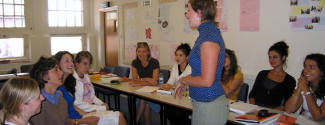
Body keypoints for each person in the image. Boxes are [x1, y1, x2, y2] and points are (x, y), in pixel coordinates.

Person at [174, 0, 228, 124]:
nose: (186, 15)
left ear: (199, 13)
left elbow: (207, 80)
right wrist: (184, 81)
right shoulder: (205, 34)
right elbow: (199, 72)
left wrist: (183, 80)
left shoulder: (209, 38)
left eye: (188, 11)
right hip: (202, 104)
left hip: (210, 106)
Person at [73, 51, 127, 125]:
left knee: (119, 116)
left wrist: (101, 103)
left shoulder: (86, 76)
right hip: (84, 112)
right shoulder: (73, 80)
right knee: (119, 116)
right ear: (77, 64)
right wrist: (101, 108)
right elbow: (78, 104)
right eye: (85, 64)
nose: (88, 67)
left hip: (92, 108)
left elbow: (92, 96)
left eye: (89, 64)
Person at [54, 51, 99, 125]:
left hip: (79, 116)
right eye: (67, 61)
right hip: (75, 121)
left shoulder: (69, 82)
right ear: (57, 65)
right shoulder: (56, 88)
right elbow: (61, 119)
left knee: (117, 116)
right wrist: (85, 119)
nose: (71, 63)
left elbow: (72, 106)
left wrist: (86, 115)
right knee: (117, 116)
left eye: (72, 61)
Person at [249, 41, 296, 110]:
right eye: (270, 57)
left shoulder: (290, 80)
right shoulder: (262, 74)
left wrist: (270, 113)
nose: (271, 60)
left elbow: (285, 104)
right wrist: (254, 109)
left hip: (275, 113)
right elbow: (252, 95)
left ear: (283, 58)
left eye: (275, 57)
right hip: (256, 110)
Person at [29, 56, 72, 125]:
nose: (61, 73)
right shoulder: (38, 104)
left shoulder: (60, 97)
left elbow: (67, 122)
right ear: (44, 77)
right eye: (56, 70)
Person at [285, 53, 325, 121]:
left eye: (311, 67)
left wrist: (306, 90)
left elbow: (318, 117)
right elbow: (289, 110)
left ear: (322, 71)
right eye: (305, 66)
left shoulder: (306, 88)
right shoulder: (306, 86)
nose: (306, 70)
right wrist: (299, 87)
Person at [162, 43, 192, 125]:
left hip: (187, 100)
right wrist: (166, 85)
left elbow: (187, 88)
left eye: (180, 55)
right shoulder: (175, 66)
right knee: (167, 109)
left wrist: (171, 86)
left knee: (178, 113)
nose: (177, 58)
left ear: (187, 57)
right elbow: (170, 82)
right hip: (175, 98)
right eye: (176, 55)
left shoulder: (191, 68)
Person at [130, 42, 160, 125]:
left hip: (154, 91)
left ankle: (135, 122)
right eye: (139, 51)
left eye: (144, 51)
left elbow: (155, 82)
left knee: (144, 99)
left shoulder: (154, 62)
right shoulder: (135, 62)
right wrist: (148, 81)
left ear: (148, 52)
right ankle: (147, 123)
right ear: (136, 52)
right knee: (145, 101)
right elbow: (134, 80)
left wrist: (142, 79)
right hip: (142, 89)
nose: (141, 54)